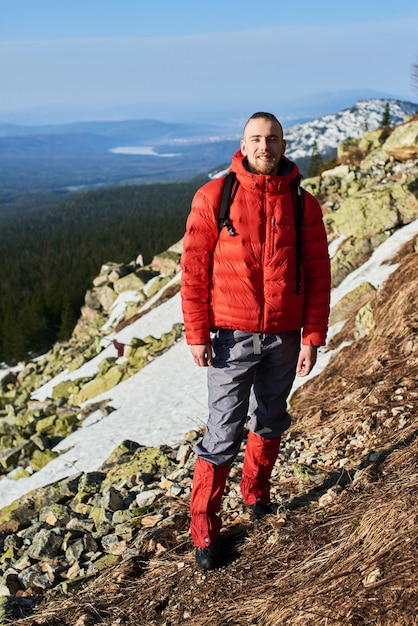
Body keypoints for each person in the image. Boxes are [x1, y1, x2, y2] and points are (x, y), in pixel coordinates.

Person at [180, 112, 331, 570]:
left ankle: (256, 496)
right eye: (256, 139)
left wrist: (312, 336)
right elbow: (193, 271)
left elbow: (318, 274)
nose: (264, 146)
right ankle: (205, 529)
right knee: (222, 432)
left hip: (285, 338)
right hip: (229, 336)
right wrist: (196, 333)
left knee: (270, 419)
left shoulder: (304, 205)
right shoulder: (214, 196)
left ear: (284, 145)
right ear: (242, 145)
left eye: (272, 139)